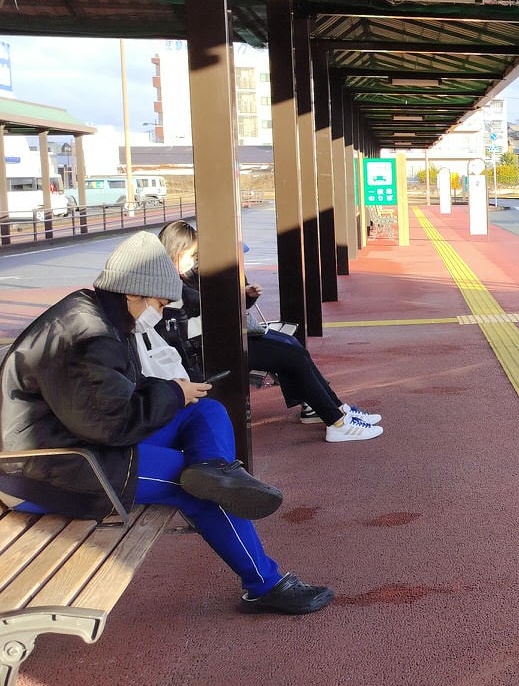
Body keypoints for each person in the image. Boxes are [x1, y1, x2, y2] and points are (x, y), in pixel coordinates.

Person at [0, 232, 332, 614]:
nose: (160, 311)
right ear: (134, 295)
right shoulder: (89, 337)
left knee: (205, 412)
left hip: (73, 443)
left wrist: (178, 393)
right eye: (159, 303)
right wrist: (173, 392)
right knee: (195, 487)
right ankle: (264, 583)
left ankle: (216, 469)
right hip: (47, 469)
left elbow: (108, 404)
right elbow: (112, 424)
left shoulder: (96, 315)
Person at [157, 221, 383, 443]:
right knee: (292, 356)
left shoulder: (186, 276)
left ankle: (333, 410)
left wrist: (244, 296)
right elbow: (208, 303)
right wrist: (235, 295)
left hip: (221, 339)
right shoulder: (168, 283)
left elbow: (216, 303)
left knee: (292, 348)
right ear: (175, 251)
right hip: (210, 349)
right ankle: (336, 420)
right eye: (190, 254)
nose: (193, 260)